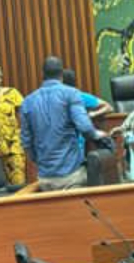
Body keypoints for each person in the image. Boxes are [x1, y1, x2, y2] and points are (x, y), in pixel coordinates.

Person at [19, 55, 96, 189]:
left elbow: (26, 142)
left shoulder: (27, 101)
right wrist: (97, 135)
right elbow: (85, 128)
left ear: (42, 74)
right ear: (62, 74)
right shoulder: (71, 94)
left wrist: (40, 161)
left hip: (45, 179)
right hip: (73, 177)